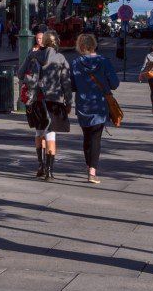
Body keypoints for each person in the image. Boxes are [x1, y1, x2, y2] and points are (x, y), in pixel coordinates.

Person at [69, 33, 121, 184]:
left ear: (80, 46)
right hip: (99, 103)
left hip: (83, 104)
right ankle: (92, 171)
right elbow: (115, 84)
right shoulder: (103, 61)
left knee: (86, 136)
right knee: (96, 138)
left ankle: (88, 165)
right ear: (94, 44)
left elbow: (72, 85)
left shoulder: (76, 62)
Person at [22, 29, 72, 180]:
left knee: (38, 132)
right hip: (54, 101)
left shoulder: (33, 55)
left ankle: (40, 165)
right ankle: (49, 171)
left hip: (37, 99)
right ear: (55, 41)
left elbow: (20, 73)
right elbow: (66, 83)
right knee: (51, 134)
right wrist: (68, 101)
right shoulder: (61, 58)